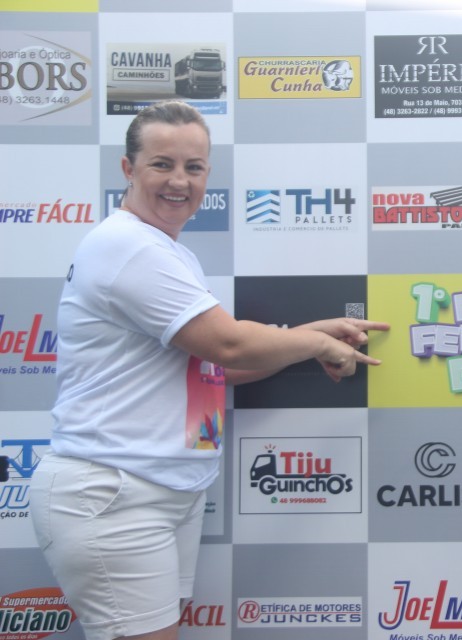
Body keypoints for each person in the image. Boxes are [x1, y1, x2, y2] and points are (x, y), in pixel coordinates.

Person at [28, 100, 389, 640]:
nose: (180, 181)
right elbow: (229, 346)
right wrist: (315, 342)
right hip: (115, 492)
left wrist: (305, 338)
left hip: (159, 490)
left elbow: (210, 368)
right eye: (162, 164)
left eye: (194, 167)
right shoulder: (129, 246)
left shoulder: (166, 251)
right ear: (128, 169)